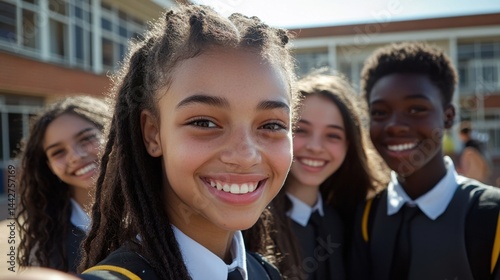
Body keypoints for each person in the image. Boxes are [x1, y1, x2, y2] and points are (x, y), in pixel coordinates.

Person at [77, 4, 299, 280]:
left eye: (271, 125)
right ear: (153, 133)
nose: (245, 155)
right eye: (204, 123)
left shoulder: (264, 273)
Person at [350, 41, 500, 280]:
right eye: (380, 112)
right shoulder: (368, 214)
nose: (395, 125)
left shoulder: (491, 215)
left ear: (448, 117)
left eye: (416, 109)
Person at [245, 72, 387, 280]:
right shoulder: (251, 224)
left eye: (333, 135)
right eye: (301, 130)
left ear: (349, 145)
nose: (315, 147)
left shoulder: (348, 221)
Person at [15, 96, 111, 273]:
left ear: (113, 133)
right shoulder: (46, 239)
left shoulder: (162, 207)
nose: (75, 156)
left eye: (86, 139)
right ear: (48, 166)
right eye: (58, 152)